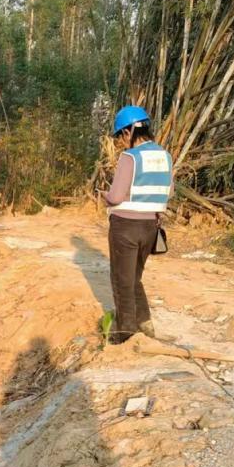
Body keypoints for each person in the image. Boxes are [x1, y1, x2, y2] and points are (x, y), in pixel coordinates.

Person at [98, 105, 174, 344]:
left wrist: (103, 195)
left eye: (121, 135)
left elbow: (116, 196)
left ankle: (124, 333)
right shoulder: (165, 156)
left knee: (121, 280)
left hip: (125, 227)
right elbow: (168, 191)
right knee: (134, 277)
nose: (121, 141)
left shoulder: (130, 157)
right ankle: (145, 323)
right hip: (150, 228)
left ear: (129, 132)